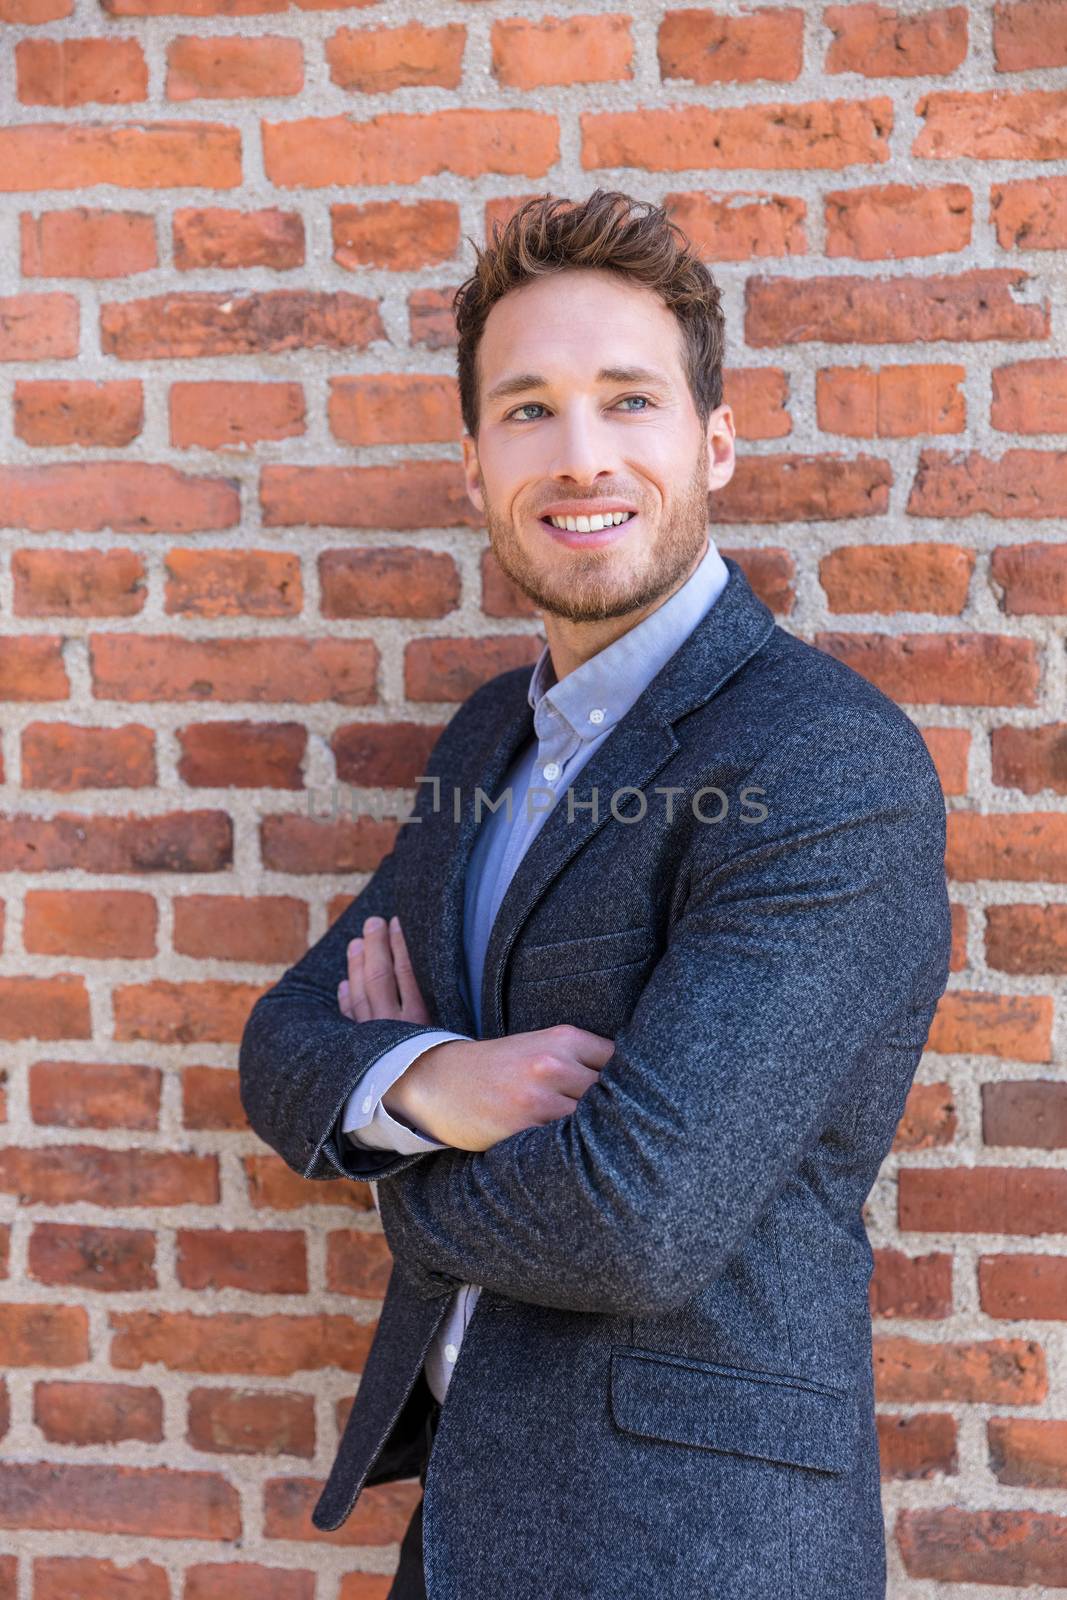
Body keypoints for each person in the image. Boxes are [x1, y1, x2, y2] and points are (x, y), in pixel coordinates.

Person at [238, 189, 952, 1599]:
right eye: (528, 409)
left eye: (629, 401)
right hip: (463, 1533)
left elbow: (634, 1220)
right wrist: (442, 1076)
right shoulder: (486, 744)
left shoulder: (822, 760)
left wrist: (392, 1162)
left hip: (691, 1548)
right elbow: (286, 1041)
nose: (580, 457)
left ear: (716, 443)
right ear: (470, 461)